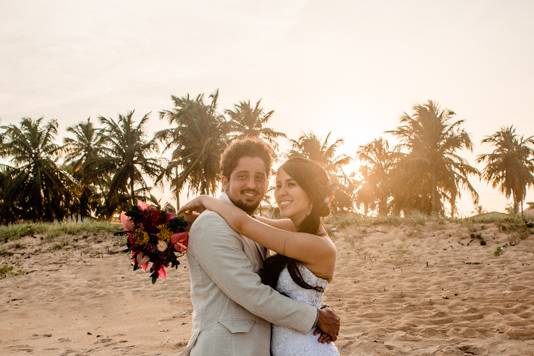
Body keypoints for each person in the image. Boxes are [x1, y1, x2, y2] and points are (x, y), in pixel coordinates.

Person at [179, 140, 340, 355]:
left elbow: (244, 223)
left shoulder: (296, 237)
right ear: (224, 181)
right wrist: (315, 316)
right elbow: (252, 294)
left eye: (260, 178)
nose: (252, 185)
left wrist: (205, 200)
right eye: (242, 176)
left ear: (311, 191)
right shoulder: (213, 223)